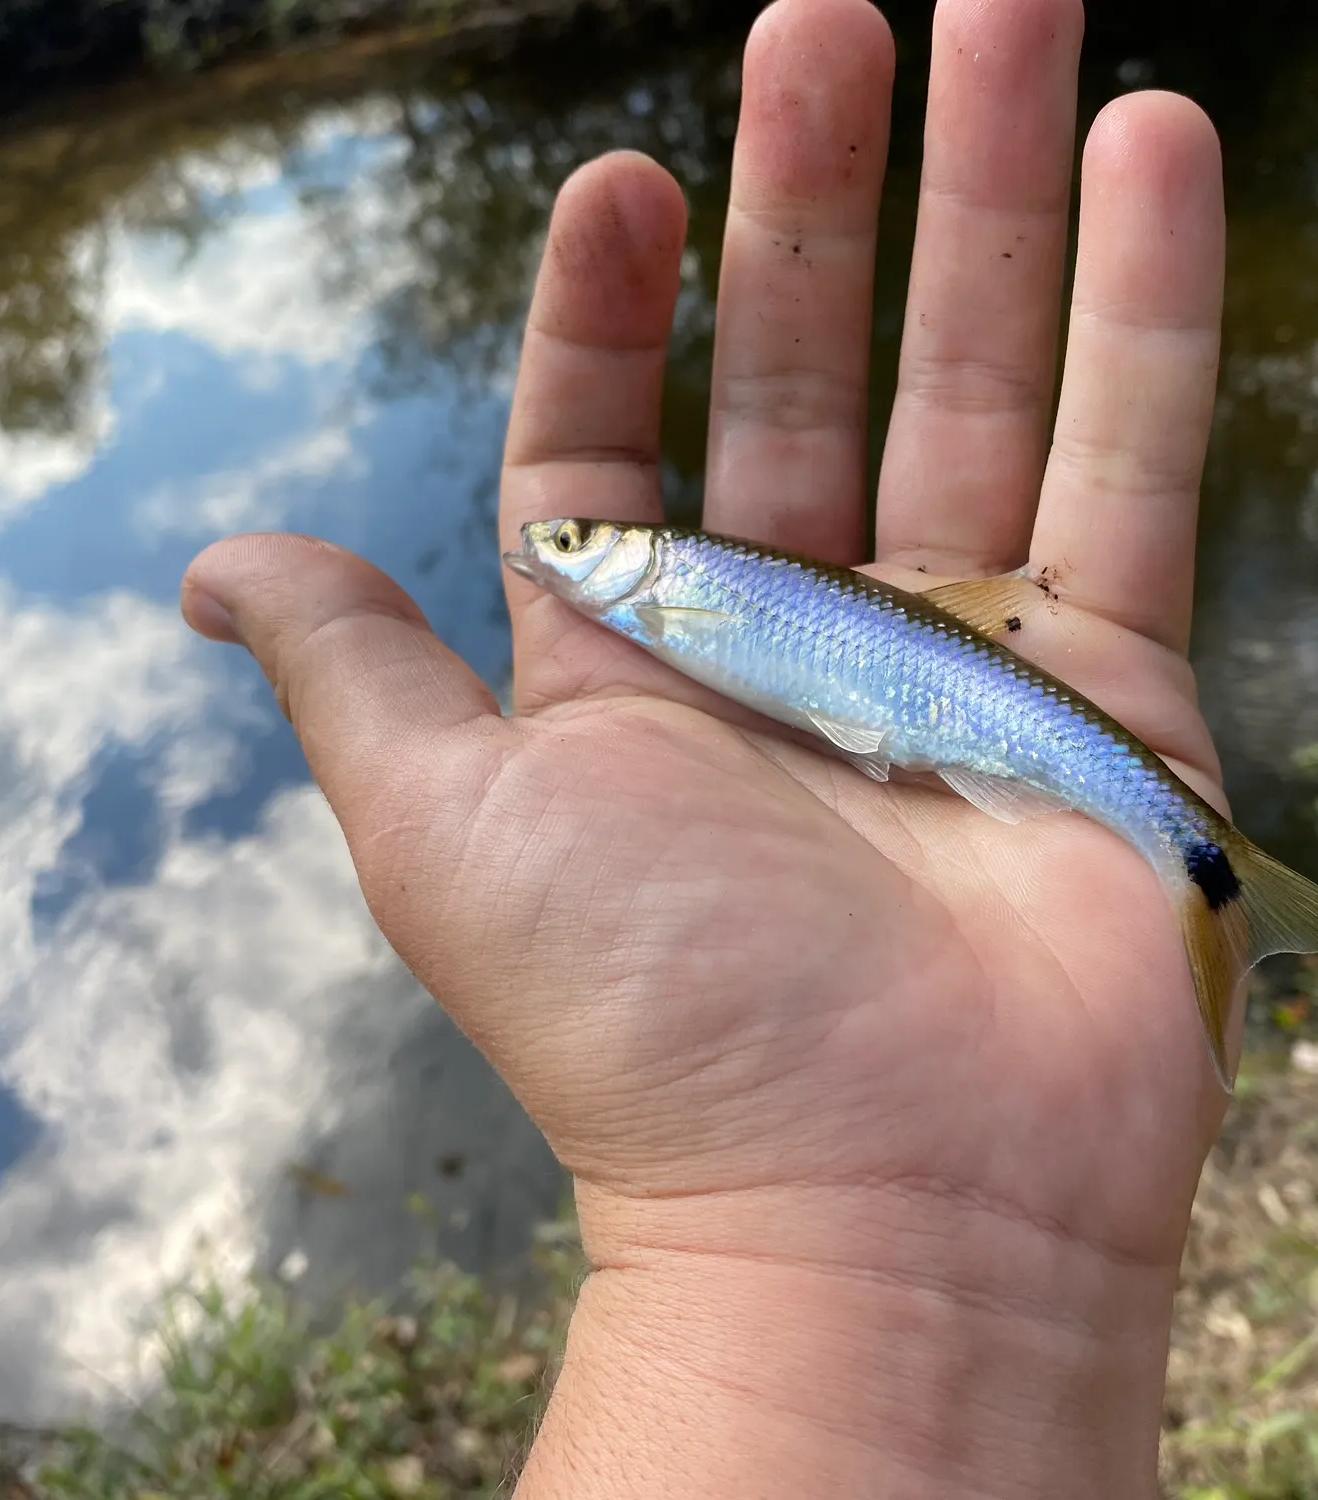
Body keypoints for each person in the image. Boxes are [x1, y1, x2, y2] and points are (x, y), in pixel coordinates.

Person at [181, 0, 1227, 1492]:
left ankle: (1214, 879)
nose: (560, 553)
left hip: (986, 707)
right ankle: (1213, 882)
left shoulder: (665, 583)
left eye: (577, 542)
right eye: (564, 543)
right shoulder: (650, 601)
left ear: (631, 558)